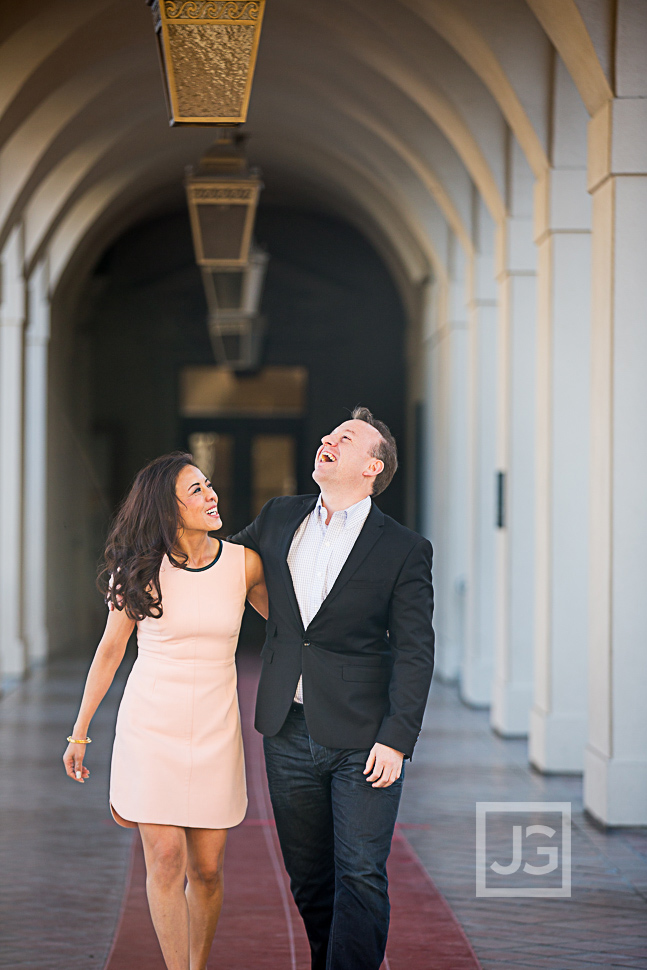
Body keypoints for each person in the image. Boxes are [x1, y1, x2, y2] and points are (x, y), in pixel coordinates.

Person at [228, 406, 435, 970]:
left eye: (344, 438)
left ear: (372, 466)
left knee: (362, 873)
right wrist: (144, 568)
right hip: (286, 731)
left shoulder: (404, 548)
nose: (327, 439)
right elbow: (222, 567)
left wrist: (396, 739)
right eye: (328, 434)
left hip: (364, 739)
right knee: (311, 878)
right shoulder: (277, 517)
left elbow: (416, 652)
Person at [62, 452, 267, 970]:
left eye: (208, 485)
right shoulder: (138, 572)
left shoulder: (244, 564)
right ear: (167, 508)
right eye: (195, 490)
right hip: (151, 726)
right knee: (167, 858)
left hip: (217, 729)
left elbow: (295, 629)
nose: (211, 495)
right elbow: (109, 653)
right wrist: (79, 731)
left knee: (209, 868)